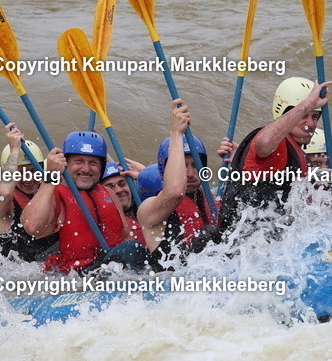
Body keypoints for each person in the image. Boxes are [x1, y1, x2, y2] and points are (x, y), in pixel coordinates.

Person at [217, 77, 331, 237]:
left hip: (269, 245)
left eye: (314, 117)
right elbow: (264, 142)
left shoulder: (292, 151)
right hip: (244, 247)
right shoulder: (278, 145)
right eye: (304, 115)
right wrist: (307, 103)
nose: (310, 124)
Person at [21, 131, 147, 274]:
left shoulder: (108, 193)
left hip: (112, 270)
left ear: (101, 167)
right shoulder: (56, 193)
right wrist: (50, 176)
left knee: (134, 248)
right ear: (66, 163)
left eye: (93, 163)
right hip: (77, 275)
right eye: (79, 161)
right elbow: (32, 227)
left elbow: (126, 236)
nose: (86, 169)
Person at [137, 100, 220, 266]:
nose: (189, 173)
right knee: (207, 234)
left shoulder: (213, 201)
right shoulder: (149, 210)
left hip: (213, 280)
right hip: (173, 285)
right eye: (183, 166)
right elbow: (175, 192)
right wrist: (175, 133)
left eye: (195, 166)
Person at [0, 123, 58, 262]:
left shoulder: (47, 189)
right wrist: (14, 149)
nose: (29, 178)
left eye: (34, 171)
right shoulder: (4, 206)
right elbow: (5, 193)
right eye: (20, 173)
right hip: (13, 272)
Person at [100, 161, 145, 244]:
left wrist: (145, 175)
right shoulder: (100, 224)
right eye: (111, 187)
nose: (119, 190)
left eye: (122, 184)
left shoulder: (146, 207)